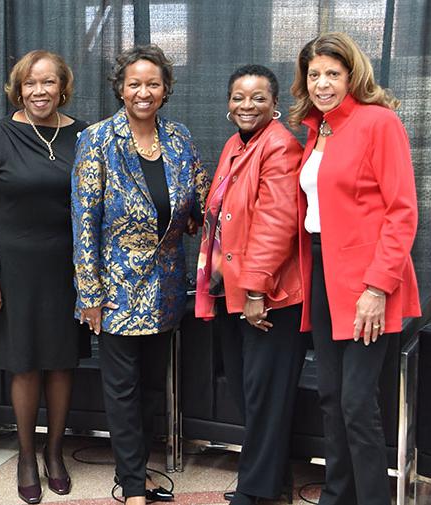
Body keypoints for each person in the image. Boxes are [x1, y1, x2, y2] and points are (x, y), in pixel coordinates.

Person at [72, 44, 210, 505]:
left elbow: (199, 203)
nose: (143, 91)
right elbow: (84, 221)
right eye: (135, 83)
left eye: (153, 83)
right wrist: (89, 292)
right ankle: (131, 485)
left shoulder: (179, 138)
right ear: (121, 88)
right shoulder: (97, 140)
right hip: (116, 290)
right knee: (122, 390)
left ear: (166, 89)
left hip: (167, 289)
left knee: (152, 387)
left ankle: (140, 470)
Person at [289, 32, 421, 505]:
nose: (323, 83)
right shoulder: (317, 128)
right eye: (314, 74)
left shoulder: (377, 123)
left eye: (333, 73)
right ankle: (335, 496)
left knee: (357, 403)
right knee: (330, 396)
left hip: (369, 281)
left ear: (352, 75)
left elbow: (402, 210)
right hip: (323, 273)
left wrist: (377, 287)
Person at [0, 50, 88, 504]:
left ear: (63, 87)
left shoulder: (84, 135)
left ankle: (54, 452)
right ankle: (24, 455)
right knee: (24, 363)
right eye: (30, 83)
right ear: (18, 89)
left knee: (61, 362)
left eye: (49, 83)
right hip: (14, 270)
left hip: (66, 269)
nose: (40, 91)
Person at [194, 64, 306, 505]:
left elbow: (277, 224)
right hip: (234, 290)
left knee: (264, 396)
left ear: (276, 105)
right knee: (248, 391)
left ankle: (257, 492)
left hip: (269, 297)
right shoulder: (236, 145)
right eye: (239, 97)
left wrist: (257, 291)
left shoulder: (280, 147)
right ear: (228, 103)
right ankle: (273, 479)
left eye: (258, 97)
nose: (247, 105)